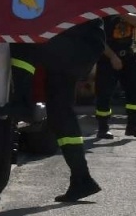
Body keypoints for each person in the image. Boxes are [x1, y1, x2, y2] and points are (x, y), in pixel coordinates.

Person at [43, 19, 107, 203]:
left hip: (73, 44)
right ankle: (81, 178)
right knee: (60, 113)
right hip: (80, 45)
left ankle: (82, 178)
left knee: (61, 113)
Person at [94, 12, 136, 140]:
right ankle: (103, 128)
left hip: (128, 57)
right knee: (104, 93)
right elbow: (98, 39)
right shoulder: (102, 14)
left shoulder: (127, 9)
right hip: (107, 58)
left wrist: (123, 13)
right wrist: (113, 57)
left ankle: (133, 126)